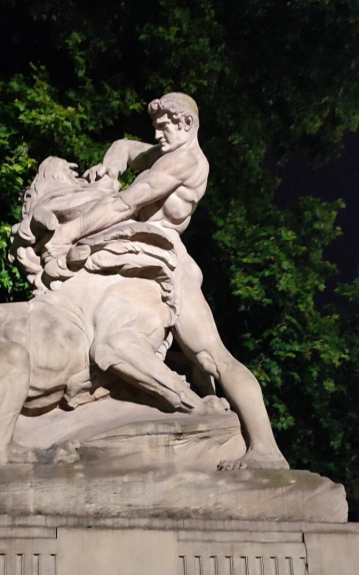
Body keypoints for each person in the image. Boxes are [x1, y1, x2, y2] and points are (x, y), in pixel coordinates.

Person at [44, 92, 288, 470]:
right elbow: (123, 147)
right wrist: (109, 168)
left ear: (186, 124)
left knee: (212, 357)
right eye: (156, 128)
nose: (158, 135)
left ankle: (267, 451)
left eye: (164, 127)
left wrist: (67, 233)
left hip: (166, 261)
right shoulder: (163, 153)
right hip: (137, 252)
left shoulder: (186, 162)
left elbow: (125, 205)